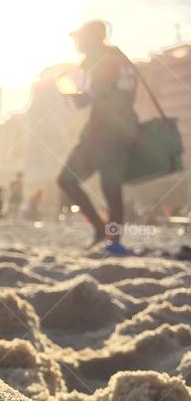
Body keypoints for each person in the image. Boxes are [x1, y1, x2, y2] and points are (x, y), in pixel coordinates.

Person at [57, 20, 138, 253]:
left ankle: (102, 231)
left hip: (102, 133)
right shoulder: (121, 59)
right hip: (124, 131)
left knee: (67, 180)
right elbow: (125, 93)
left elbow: (97, 95)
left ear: (91, 38)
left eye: (78, 38)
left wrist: (74, 96)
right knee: (112, 188)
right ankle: (113, 241)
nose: (76, 44)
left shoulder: (100, 58)